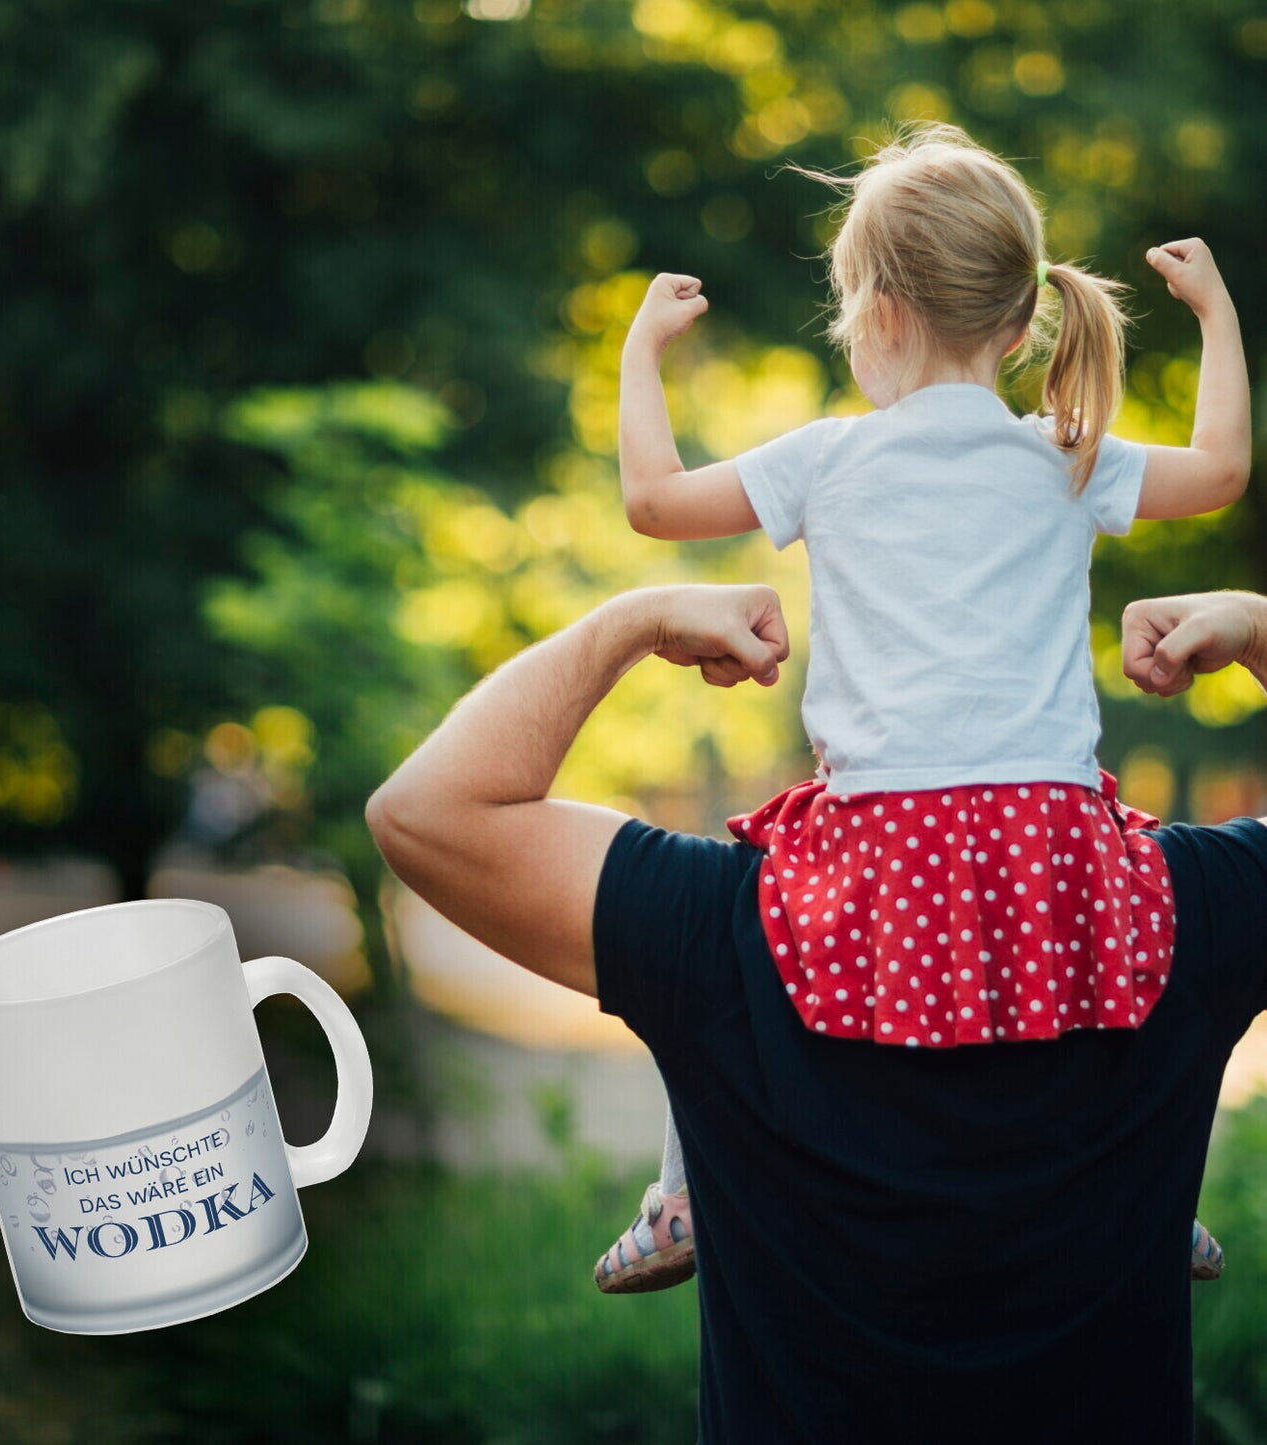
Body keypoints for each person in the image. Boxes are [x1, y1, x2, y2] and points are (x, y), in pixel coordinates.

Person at [367, 583, 1267, 1443]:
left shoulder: (726, 923)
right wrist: (1259, 629)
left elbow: (425, 811)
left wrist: (630, 624)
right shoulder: (1176, 911)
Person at [599, 123, 1248, 1292]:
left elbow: (651, 500)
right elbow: (1219, 468)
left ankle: (683, 1197)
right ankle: (1160, 1197)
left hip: (878, 835)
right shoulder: (1066, 451)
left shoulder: (826, 459)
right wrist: (1214, 317)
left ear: (876, 316)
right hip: (1048, 830)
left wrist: (639, 349)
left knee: (710, 941)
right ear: (1017, 322)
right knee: (1144, 951)